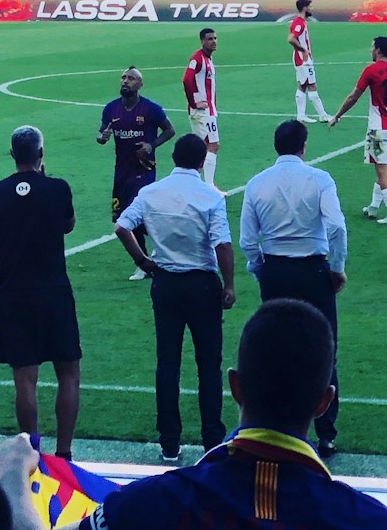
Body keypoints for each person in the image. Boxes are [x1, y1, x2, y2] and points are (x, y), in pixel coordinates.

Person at [0, 300, 387, 530]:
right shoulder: (365, 521)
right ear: (324, 401)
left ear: (234, 387)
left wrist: (12, 478)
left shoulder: (149, 506)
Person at [114, 134, 235, 462]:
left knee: (167, 362)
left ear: (172, 159)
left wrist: (142, 261)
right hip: (201, 284)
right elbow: (222, 244)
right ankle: (212, 439)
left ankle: (169, 440)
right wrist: (229, 285)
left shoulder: (150, 192)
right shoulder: (210, 196)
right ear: (200, 162)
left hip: (165, 282)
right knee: (208, 364)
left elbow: (123, 227)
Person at [238, 120, 346, 456]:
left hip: (276, 272)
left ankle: (274, 428)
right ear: (304, 146)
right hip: (312, 271)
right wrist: (336, 269)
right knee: (324, 347)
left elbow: (246, 239)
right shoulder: (319, 179)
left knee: (274, 347)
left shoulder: (256, 184)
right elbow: (337, 227)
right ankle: (326, 433)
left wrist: (261, 270)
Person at [0, 125, 81, 460]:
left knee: (25, 378)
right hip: (54, 291)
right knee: (68, 372)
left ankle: (32, 452)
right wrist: (44, 183)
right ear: (41, 154)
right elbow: (68, 225)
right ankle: (64, 455)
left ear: (11, 155)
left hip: (14, 295)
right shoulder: (58, 189)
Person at [98, 67, 173, 282]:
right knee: (121, 217)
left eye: (131, 78)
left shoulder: (151, 109)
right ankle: (145, 261)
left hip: (144, 172)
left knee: (138, 216)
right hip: (121, 173)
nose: (125, 81)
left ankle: (157, 257)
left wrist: (151, 145)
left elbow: (170, 130)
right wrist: (102, 137)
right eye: (123, 77)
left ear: (140, 84)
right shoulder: (111, 109)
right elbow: (101, 134)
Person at [330, 37, 387, 225]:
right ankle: (373, 208)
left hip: (378, 130)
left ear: (377, 50)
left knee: (383, 171)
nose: (370, 50)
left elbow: (353, 97)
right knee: (382, 168)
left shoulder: (371, 70)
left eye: (372, 47)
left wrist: (337, 115)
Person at [182, 27, 220, 185]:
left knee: (204, 148)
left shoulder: (208, 59)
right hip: (201, 112)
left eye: (215, 38)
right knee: (212, 145)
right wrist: (194, 102)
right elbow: (186, 79)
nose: (214, 42)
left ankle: (192, 182)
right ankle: (209, 186)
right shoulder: (197, 59)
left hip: (209, 111)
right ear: (202, 41)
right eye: (210, 39)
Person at [288, 0, 329, 122]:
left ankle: (301, 115)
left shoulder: (300, 22)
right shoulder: (299, 23)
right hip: (303, 60)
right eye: (310, 6)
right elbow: (291, 38)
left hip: (300, 59)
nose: (312, 9)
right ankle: (323, 115)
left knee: (302, 85)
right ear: (305, 8)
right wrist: (303, 50)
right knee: (311, 85)